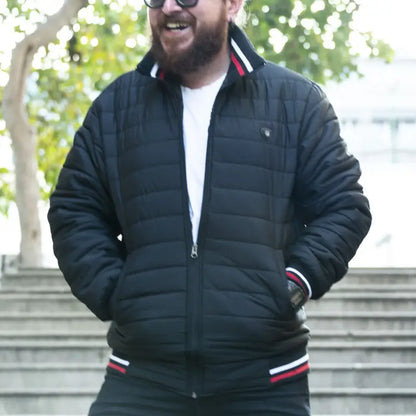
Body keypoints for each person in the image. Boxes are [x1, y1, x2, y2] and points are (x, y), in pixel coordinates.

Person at [48, 0, 371, 414]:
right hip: (141, 379)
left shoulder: (296, 103)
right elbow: (74, 210)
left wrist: (291, 285)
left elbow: (345, 206)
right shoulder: (115, 109)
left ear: (232, 4)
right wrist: (118, 292)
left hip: (265, 382)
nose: (168, 7)